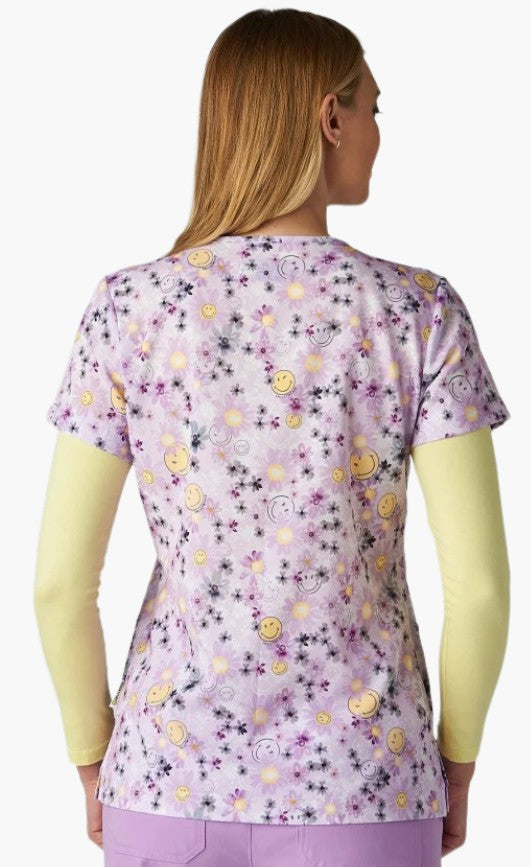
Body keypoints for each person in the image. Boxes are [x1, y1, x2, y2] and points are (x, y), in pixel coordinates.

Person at [34, 8, 511, 867]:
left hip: (166, 777)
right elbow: (477, 589)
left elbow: (60, 586)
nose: (377, 132)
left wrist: (92, 756)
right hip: (367, 782)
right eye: (372, 107)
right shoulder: (417, 311)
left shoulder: (130, 308)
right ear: (330, 117)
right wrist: (457, 764)